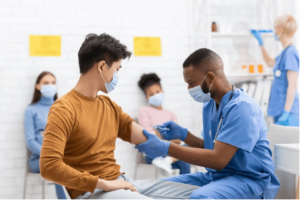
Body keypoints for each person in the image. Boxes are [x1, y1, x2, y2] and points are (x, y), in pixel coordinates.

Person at [39, 33, 198, 200]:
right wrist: (103, 183)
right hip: (93, 192)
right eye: (116, 69)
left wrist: (204, 153)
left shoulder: (109, 106)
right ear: (101, 67)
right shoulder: (63, 108)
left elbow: (147, 139)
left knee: (197, 194)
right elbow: (49, 166)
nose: (116, 76)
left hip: (121, 182)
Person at [136, 48, 281, 200]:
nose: (189, 89)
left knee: (200, 197)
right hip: (218, 177)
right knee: (155, 188)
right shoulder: (210, 105)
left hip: (250, 181)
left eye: (191, 83)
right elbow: (211, 148)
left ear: (210, 77)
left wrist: (166, 148)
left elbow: (218, 159)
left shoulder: (243, 108)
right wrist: (185, 135)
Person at [24, 71, 67, 200]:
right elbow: (30, 141)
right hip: (39, 160)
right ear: (38, 86)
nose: (50, 86)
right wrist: (50, 154)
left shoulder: (62, 108)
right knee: (57, 166)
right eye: (46, 83)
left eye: (53, 83)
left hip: (61, 156)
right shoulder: (31, 110)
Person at [251, 14, 300, 126]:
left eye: (274, 28)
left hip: (289, 113)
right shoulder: (285, 53)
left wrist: (286, 112)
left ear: (280, 30)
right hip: (280, 110)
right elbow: (269, 62)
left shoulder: (290, 54)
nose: (274, 32)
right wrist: (261, 43)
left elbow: (292, 85)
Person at [138, 73, 190, 176]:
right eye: (151, 94)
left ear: (162, 91)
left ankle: (168, 161)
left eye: (157, 92)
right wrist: (169, 135)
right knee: (184, 155)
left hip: (171, 154)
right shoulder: (144, 111)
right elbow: (149, 135)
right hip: (154, 154)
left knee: (189, 148)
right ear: (146, 97)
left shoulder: (171, 114)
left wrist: (159, 133)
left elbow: (179, 139)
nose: (155, 95)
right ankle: (168, 162)